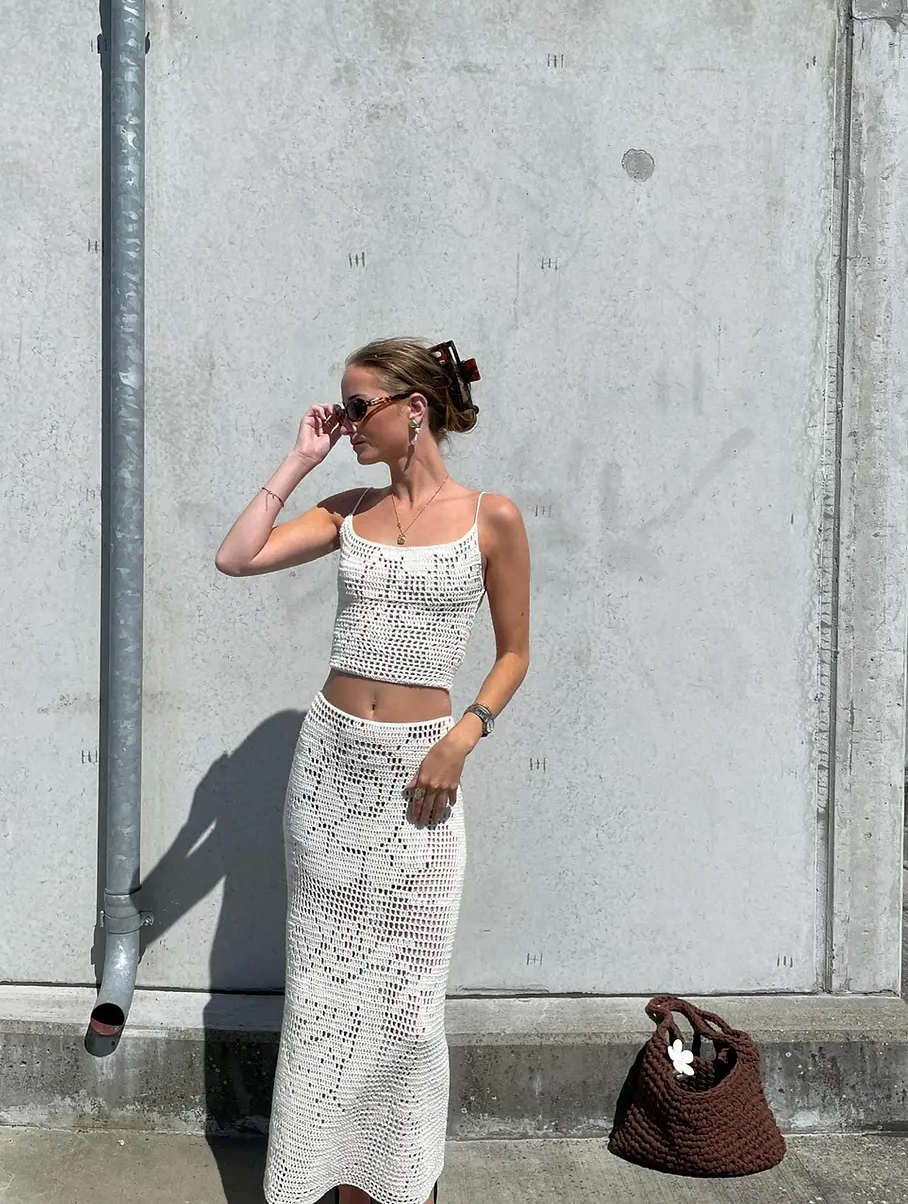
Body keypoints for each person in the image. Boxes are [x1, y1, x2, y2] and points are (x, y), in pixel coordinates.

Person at [215, 338, 531, 1204]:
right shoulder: (347, 508)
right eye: (342, 409)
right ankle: (321, 1182)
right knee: (322, 997)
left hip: (421, 779)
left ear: (413, 408)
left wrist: (462, 737)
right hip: (329, 776)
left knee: (406, 1002)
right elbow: (235, 557)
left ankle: (396, 1184)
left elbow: (515, 654)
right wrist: (298, 458)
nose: (345, 422)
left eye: (358, 408)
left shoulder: (489, 516)